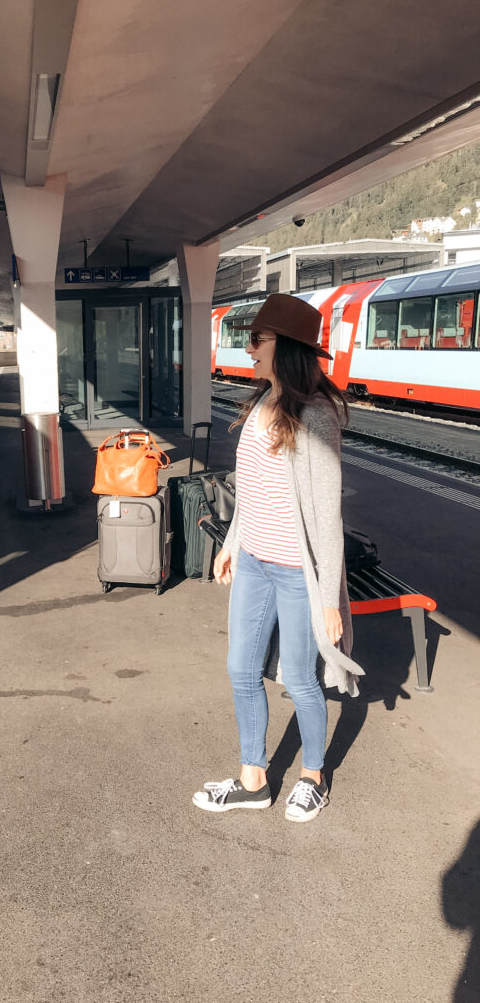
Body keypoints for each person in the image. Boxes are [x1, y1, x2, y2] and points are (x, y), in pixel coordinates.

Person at [192, 293, 364, 823]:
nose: (247, 348)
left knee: (298, 678)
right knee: (240, 670)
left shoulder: (315, 415)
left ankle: (313, 777)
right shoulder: (262, 401)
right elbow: (253, 491)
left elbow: (324, 514)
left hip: (296, 573)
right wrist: (231, 545)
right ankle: (253, 781)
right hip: (255, 565)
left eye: (256, 339)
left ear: (282, 347)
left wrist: (332, 598)